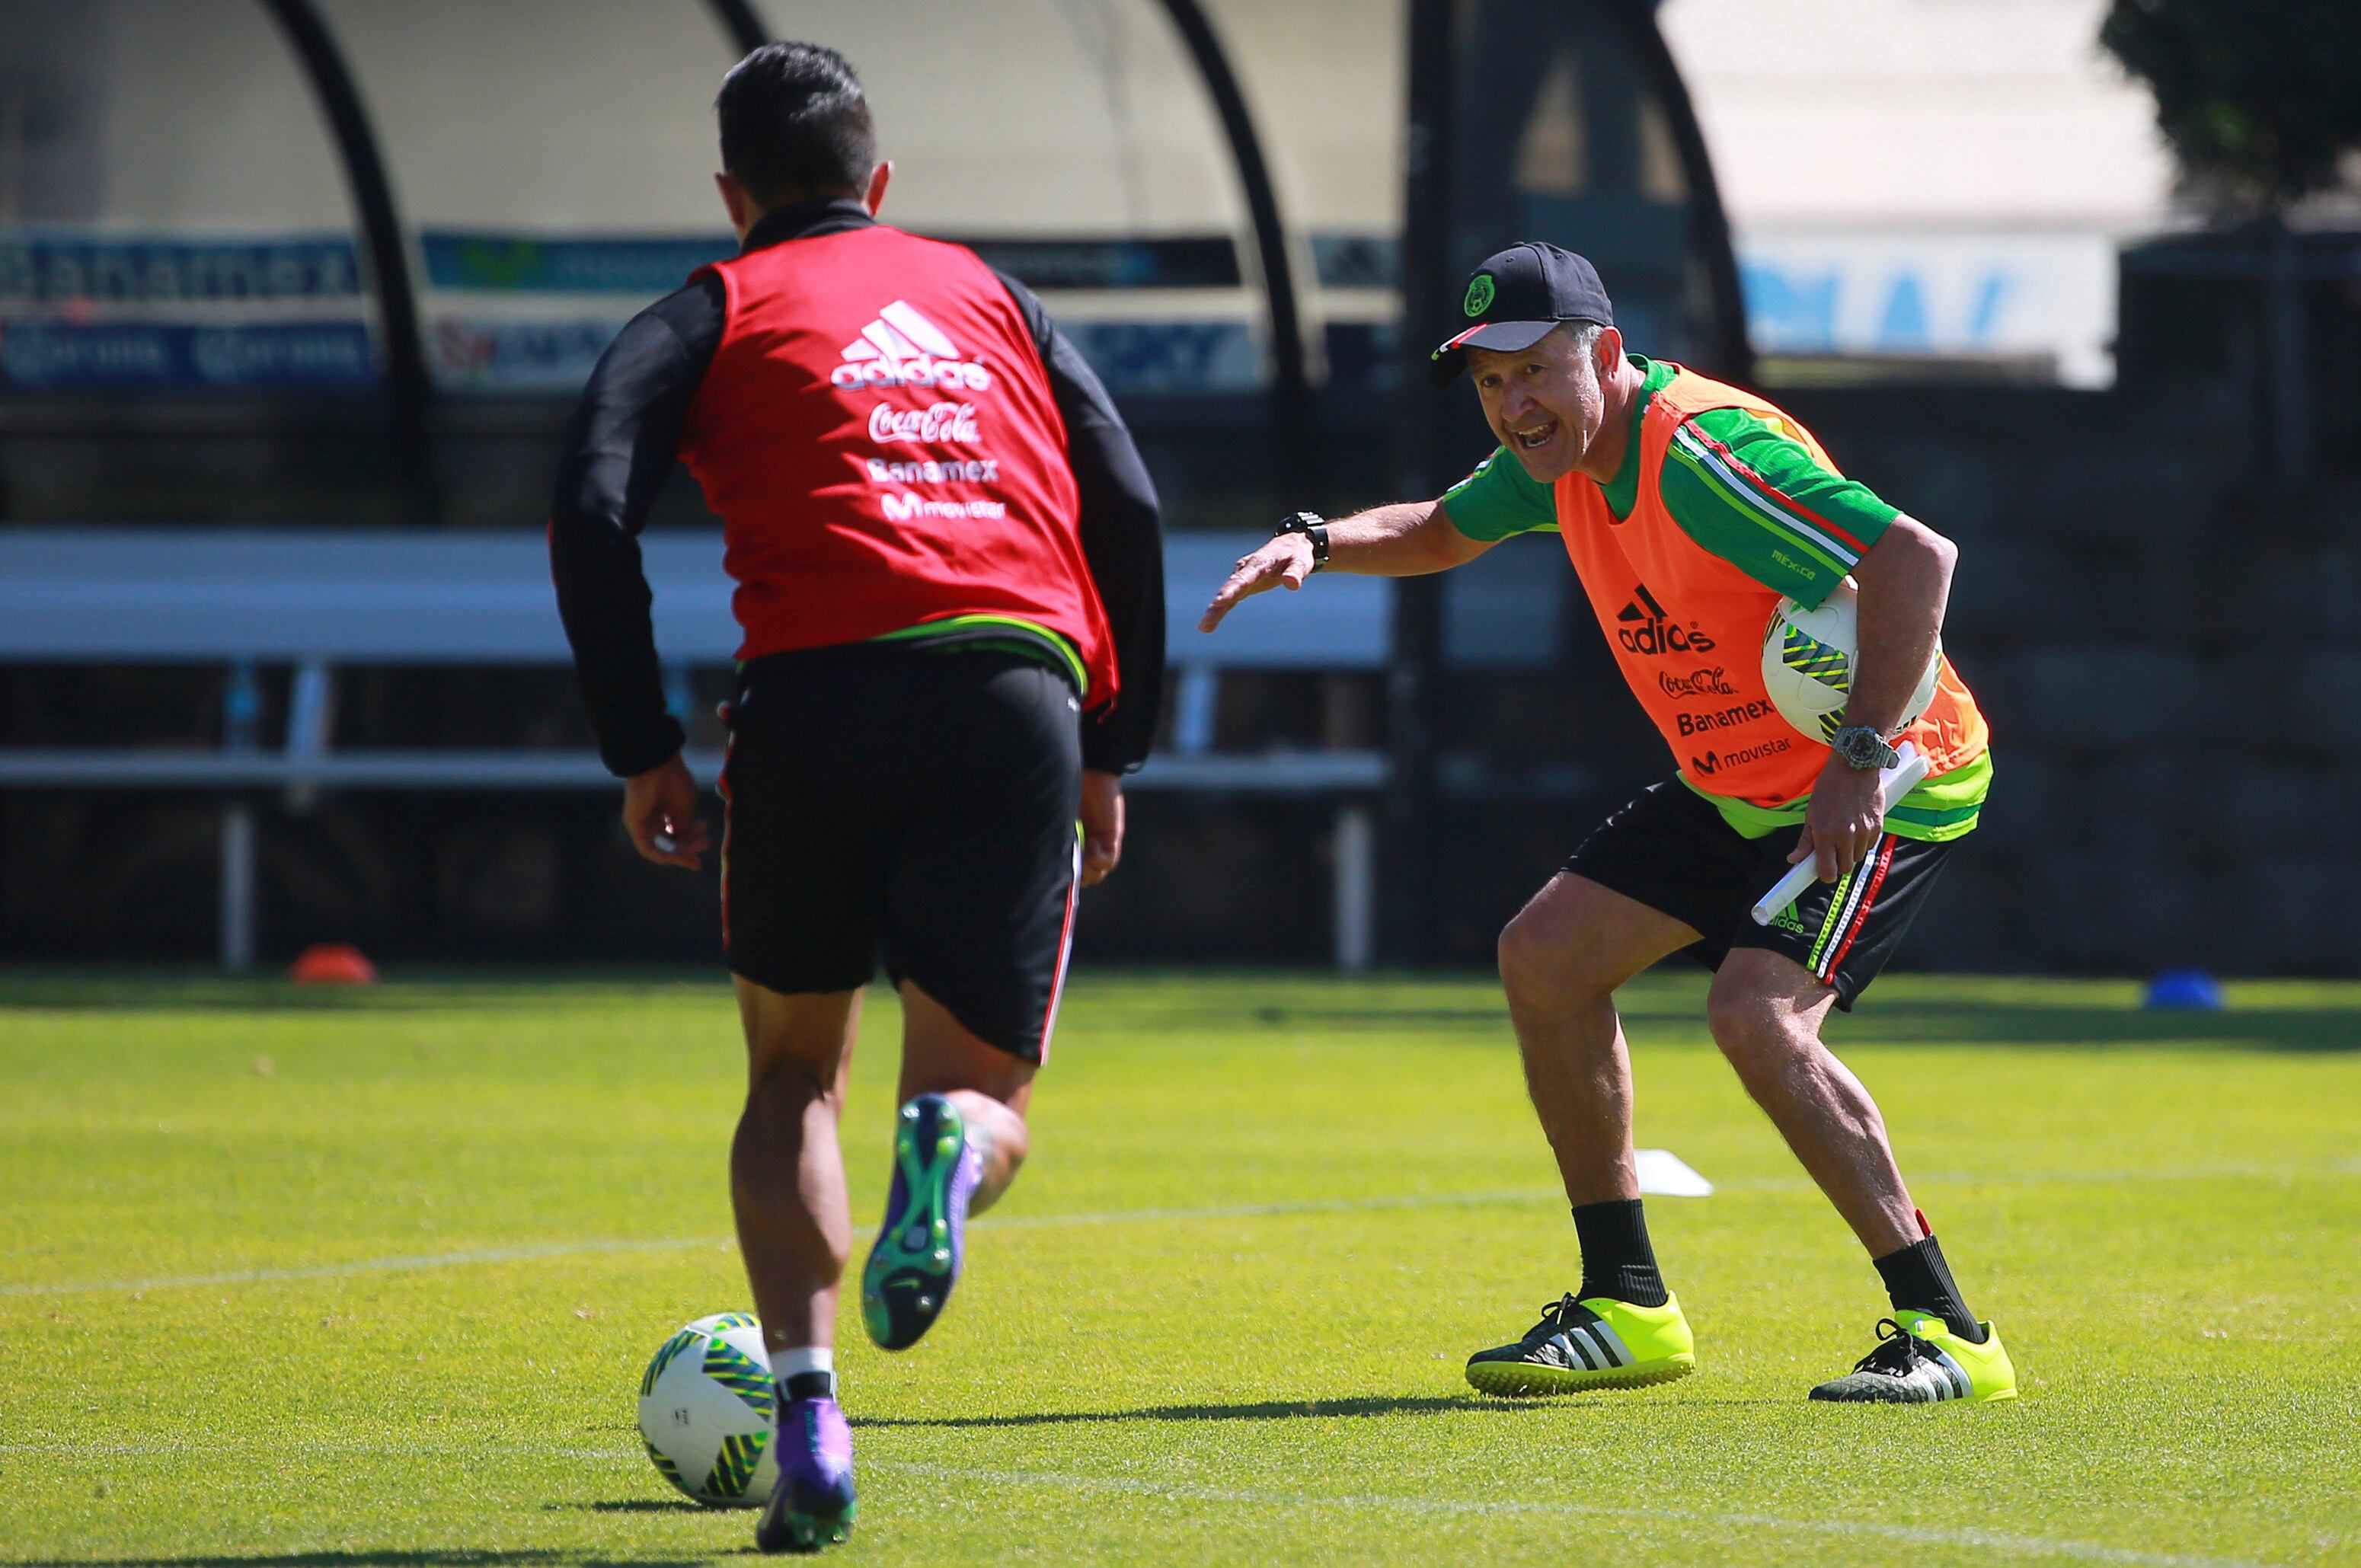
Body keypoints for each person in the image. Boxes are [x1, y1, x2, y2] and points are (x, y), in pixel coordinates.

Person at [1201, 242, 2015, 1408]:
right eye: (1492, 383)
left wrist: (1857, 759)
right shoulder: (1553, 461)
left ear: (1609, 354)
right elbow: (1440, 527)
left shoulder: (1706, 458)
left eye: (1536, 371)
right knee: (1545, 961)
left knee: (1756, 1018)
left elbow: (1913, 560)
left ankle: (1951, 1331)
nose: (1514, 404)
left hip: (1890, 779)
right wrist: (1319, 542)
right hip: (1737, 782)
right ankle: (1627, 1305)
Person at [550, 42, 1165, 1552]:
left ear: (731, 192)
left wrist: (641, 744)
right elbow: (1128, 500)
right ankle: (946, 1150)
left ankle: (810, 1418)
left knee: (790, 1083)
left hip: (814, 706)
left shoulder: (710, 306)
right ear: (876, 182)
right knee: (972, 1095)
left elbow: (587, 501)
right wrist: (1109, 743)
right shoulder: (985, 295)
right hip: (1008, 694)